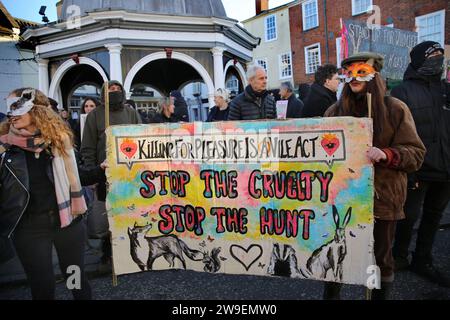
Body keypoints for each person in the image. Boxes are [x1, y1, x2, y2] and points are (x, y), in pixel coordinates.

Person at [323, 52, 426, 300]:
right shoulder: (334, 112)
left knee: (379, 257)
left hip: (382, 198)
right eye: (348, 72)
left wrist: (388, 154)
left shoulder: (395, 109)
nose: (354, 77)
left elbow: (416, 153)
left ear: (375, 74)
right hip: (343, 198)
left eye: (361, 70)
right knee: (336, 253)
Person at [0, 88, 92, 300]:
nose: (12, 115)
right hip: (29, 228)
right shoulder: (5, 149)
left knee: (75, 278)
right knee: (42, 286)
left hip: (68, 222)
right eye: (10, 110)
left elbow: (79, 176)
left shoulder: (59, 144)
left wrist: (101, 170)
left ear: (37, 111)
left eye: (18, 109)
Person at [391, 41, 450, 287]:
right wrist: (407, 169)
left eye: (440, 55)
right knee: (408, 217)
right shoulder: (402, 92)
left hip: (445, 169)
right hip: (417, 170)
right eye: (432, 55)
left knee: (434, 217)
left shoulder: (446, 90)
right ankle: (398, 257)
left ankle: (423, 259)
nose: (438, 59)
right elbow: (395, 134)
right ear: (418, 60)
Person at [81, 80, 141, 271]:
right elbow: (88, 147)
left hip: (130, 174)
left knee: (129, 213)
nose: (114, 91)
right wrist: (92, 174)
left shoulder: (131, 112)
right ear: (103, 93)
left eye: (117, 89)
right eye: (110, 89)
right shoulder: (95, 115)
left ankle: (129, 253)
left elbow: (142, 137)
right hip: (105, 174)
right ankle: (107, 255)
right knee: (108, 214)